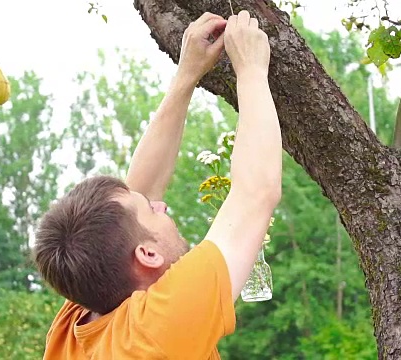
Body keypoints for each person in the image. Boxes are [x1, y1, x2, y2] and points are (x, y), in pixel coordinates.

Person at [32, 9, 282, 360]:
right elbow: (255, 196)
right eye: (152, 210)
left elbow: (133, 210)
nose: (160, 203)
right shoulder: (157, 331)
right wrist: (252, 71)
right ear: (147, 255)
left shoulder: (78, 324)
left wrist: (187, 74)